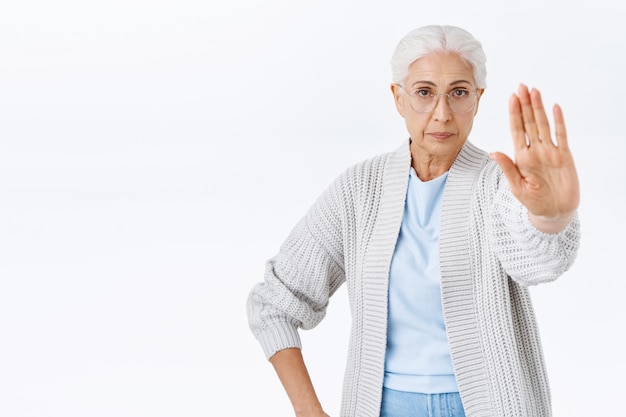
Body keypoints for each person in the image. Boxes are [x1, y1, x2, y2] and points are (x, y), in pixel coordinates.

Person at [246, 24, 580, 417]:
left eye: (459, 93)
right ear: (398, 98)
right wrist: (309, 410)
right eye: (424, 93)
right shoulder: (357, 190)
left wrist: (550, 216)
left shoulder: (501, 185)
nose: (442, 113)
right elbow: (274, 304)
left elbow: (537, 261)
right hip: (384, 406)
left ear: (477, 99)